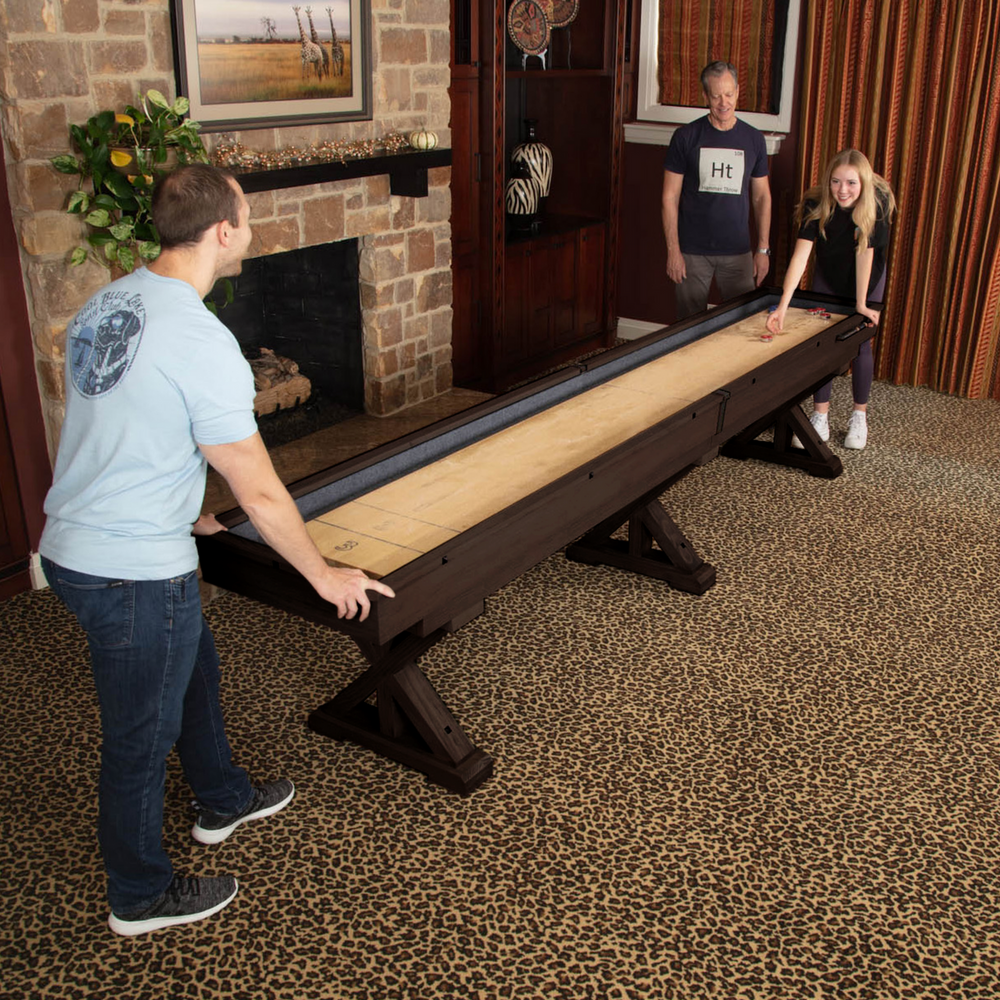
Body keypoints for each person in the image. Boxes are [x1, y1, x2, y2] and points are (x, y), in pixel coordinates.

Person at [39, 164, 395, 936]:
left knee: (194, 666)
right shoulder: (203, 340)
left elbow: (134, 431)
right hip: (129, 569)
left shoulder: (109, 302)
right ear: (224, 232)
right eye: (248, 216)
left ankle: (222, 797)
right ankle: (137, 895)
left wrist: (191, 512)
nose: (252, 229)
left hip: (73, 544)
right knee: (139, 735)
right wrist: (323, 573)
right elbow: (262, 491)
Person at [766, 148, 896, 450]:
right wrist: (783, 306)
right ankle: (820, 416)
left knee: (860, 341)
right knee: (824, 342)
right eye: (836, 182)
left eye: (851, 183)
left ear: (863, 182)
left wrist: (861, 304)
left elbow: (865, 254)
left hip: (867, 275)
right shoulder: (816, 203)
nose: (842, 190)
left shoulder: (877, 202)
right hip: (829, 271)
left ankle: (858, 416)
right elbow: (800, 258)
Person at [661, 61, 773, 320]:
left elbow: (762, 197)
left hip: (738, 252)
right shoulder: (685, 137)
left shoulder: (754, 139)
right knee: (688, 329)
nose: (724, 102)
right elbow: (669, 197)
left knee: (742, 326)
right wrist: (673, 251)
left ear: (737, 91)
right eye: (716, 96)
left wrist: (763, 249)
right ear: (705, 97)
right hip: (691, 253)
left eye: (729, 94)